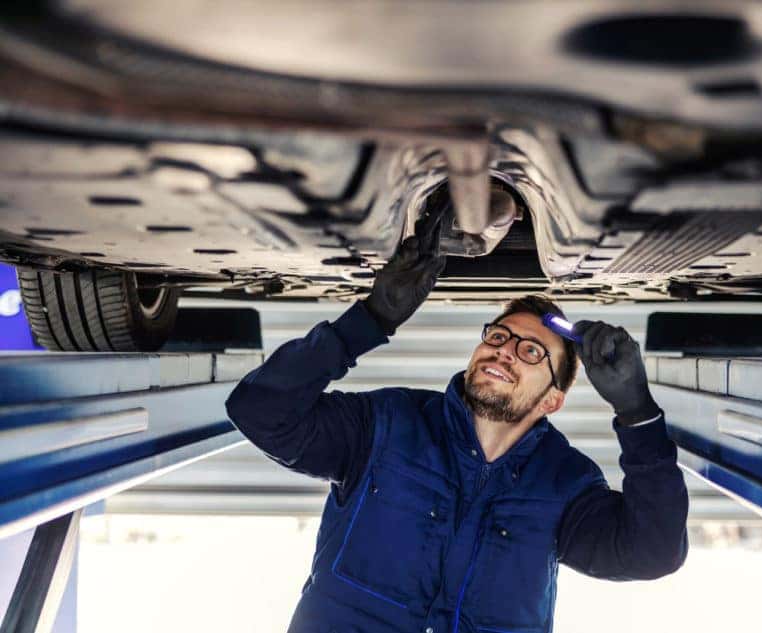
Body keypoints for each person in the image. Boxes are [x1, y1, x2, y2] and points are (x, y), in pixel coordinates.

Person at [225, 233, 689, 633]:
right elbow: (261, 411)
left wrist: (637, 412)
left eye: (531, 352)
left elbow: (653, 551)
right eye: (498, 337)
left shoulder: (565, 484)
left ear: (553, 399)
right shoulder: (385, 425)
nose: (505, 351)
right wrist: (367, 321)